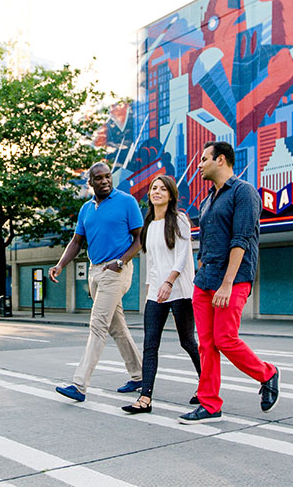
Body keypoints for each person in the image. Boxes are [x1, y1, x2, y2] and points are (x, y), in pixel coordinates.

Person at [178, 141, 280, 424]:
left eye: (203, 159)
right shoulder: (208, 200)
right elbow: (208, 240)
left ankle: (267, 373)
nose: (199, 165)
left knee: (225, 338)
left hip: (232, 279)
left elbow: (242, 239)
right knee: (206, 344)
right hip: (205, 279)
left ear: (220, 160)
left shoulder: (244, 192)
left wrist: (226, 283)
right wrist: (201, 269)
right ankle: (210, 404)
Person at [49, 162, 144, 401]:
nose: (104, 181)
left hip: (117, 270)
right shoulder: (86, 209)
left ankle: (79, 385)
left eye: (107, 176)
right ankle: (139, 375)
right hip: (95, 272)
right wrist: (60, 264)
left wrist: (121, 262)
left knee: (98, 324)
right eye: (98, 178)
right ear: (90, 182)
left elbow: (140, 240)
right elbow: (76, 242)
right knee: (116, 327)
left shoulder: (126, 202)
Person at [121, 175, 201, 415]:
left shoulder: (179, 220)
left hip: (180, 290)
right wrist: (150, 291)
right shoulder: (149, 225)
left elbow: (182, 255)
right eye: (154, 188)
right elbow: (152, 263)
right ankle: (145, 398)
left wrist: (170, 281)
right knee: (150, 345)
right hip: (156, 291)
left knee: (187, 341)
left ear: (170, 195)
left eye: (162, 189)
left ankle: (206, 385)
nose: (157, 192)